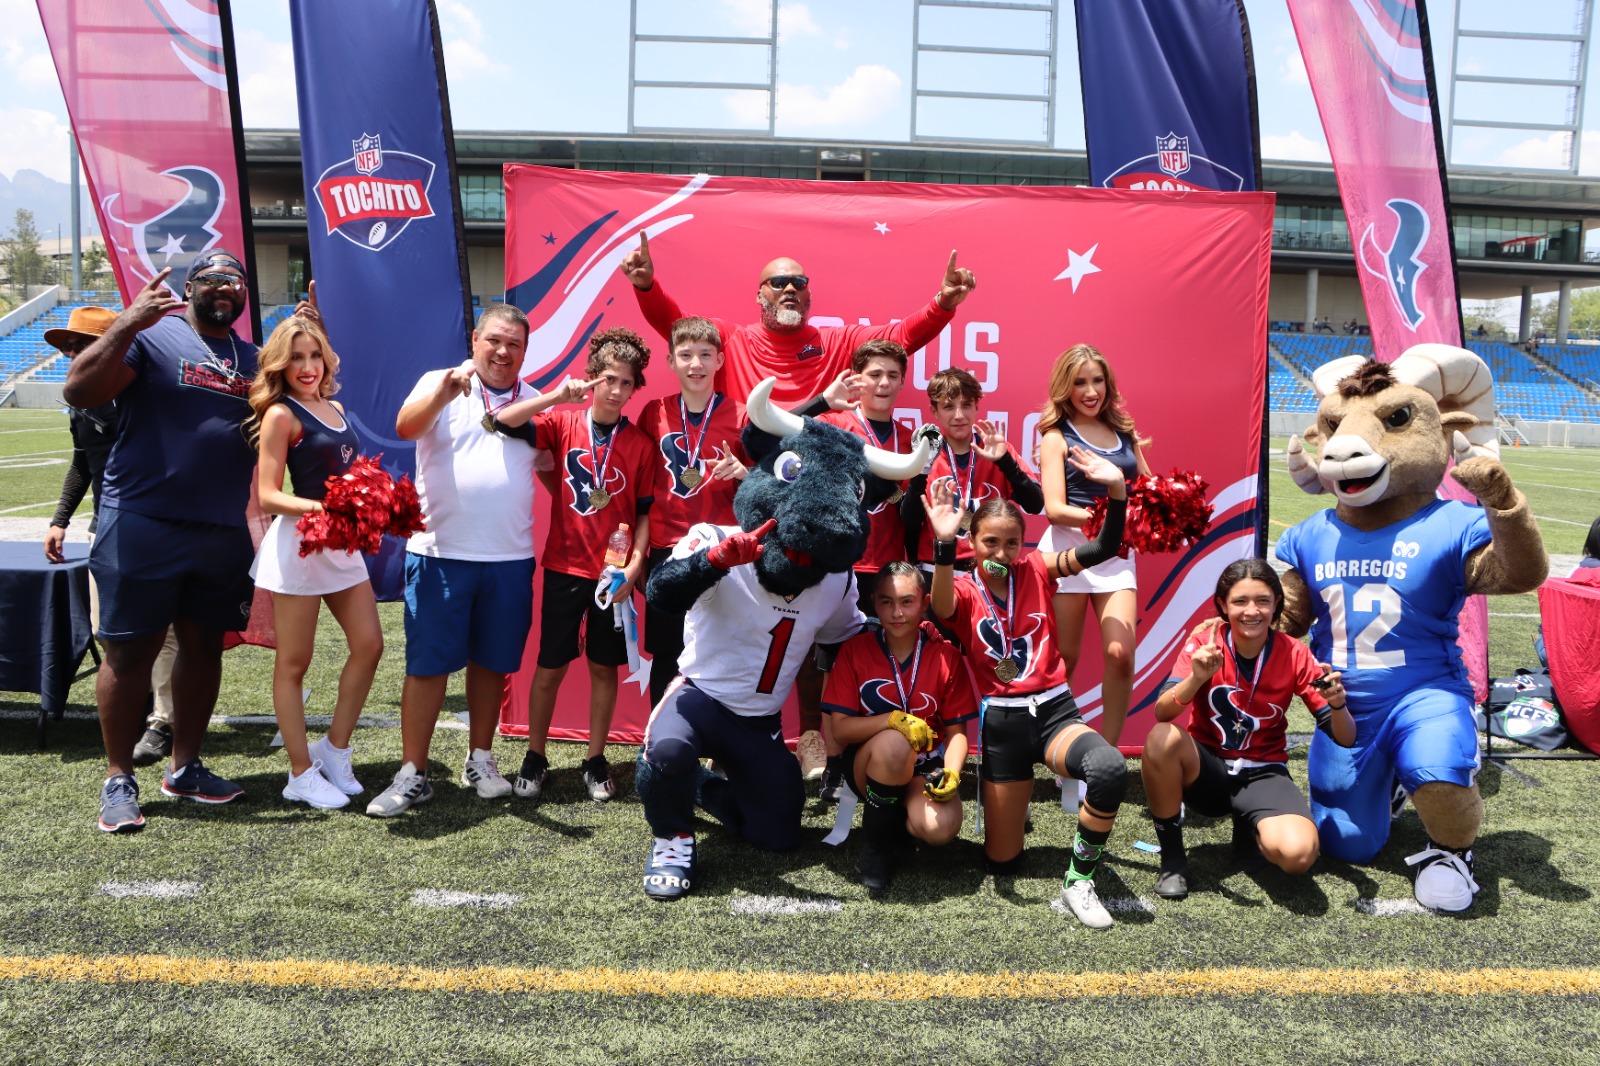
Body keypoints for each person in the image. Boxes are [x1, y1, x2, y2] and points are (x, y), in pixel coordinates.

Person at [64, 251, 286, 833]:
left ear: (244, 294)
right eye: (210, 279)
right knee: (130, 651)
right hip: (142, 520)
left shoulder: (255, 358)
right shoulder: (153, 336)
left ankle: (184, 765)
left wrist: (307, 333)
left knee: (203, 647)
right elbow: (80, 391)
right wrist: (126, 322)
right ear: (188, 289)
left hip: (219, 529)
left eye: (234, 281)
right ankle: (119, 776)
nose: (222, 288)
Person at [368, 304, 588, 817]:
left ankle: (481, 759)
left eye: (514, 344)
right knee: (428, 667)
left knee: (492, 664)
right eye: (494, 340)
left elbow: (555, 479)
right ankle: (413, 773)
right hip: (441, 551)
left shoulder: (536, 403)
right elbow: (404, 427)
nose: (502, 351)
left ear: (525, 352)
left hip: (509, 556)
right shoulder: (440, 381)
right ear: (475, 338)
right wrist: (444, 392)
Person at [923, 454, 1130, 929]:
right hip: (1003, 725)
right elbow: (938, 606)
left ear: (1023, 543)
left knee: (1109, 768)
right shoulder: (963, 588)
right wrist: (942, 543)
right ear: (972, 543)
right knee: (1002, 863)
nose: (1001, 553)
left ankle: (1080, 878)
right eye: (990, 542)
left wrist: (1116, 491)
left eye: (1011, 543)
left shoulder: (1037, 568)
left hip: (1055, 711)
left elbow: (1103, 548)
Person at [498, 327, 656, 803]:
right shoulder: (562, 423)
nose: (616, 390)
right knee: (549, 668)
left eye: (626, 383)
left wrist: (634, 567)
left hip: (614, 577)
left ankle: (593, 757)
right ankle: (536, 755)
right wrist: (554, 395)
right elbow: (503, 420)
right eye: (608, 379)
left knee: (604, 669)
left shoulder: (642, 445)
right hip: (565, 567)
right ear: (591, 379)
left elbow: (646, 515)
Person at [1142, 559, 1355, 900]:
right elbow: (1162, 712)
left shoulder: (1296, 653)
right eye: (1240, 601)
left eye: (1263, 601)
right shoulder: (1204, 643)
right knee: (1161, 739)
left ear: (1276, 605)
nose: (1251, 611)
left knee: (1298, 856)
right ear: (1223, 606)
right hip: (1208, 770)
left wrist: (1337, 704)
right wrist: (1197, 677)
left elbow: (1346, 737)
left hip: (1263, 773)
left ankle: (1249, 829)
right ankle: (1172, 859)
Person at [246, 316, 383, 810]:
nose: (307, 366)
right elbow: (267, 495)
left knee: (369, 645)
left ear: (326, 358)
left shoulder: (335, 407)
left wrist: (369, 498)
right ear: (281, 364)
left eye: (314, 355)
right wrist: (326, 509)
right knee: (294, 662)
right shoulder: (281, 416)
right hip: (301, 546)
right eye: (296, 357)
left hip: (341, 546)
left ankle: (335, 750)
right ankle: (300, 772)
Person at [43, 305, 181, 769]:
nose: (71, 355)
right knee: (110, 629)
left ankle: (163, 721)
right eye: (69, 348)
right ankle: (139, 704)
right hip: (107, 524)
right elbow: (83, 461)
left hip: (158, 521)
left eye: (81, 345)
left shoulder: (140, 393)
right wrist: (60, 519)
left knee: (169, 632)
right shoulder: (81, 401)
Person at [619, 232, 977, 408]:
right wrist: (646, 286)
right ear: (760, 295)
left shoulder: (837, 342)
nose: (789, 288)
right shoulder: (731, 339)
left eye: (799, 283)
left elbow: (900, 337)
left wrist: (943, 302)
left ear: (809, 295)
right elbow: (678, 326)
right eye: (777, 283)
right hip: (748, 471)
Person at [822, 562, 974, 896]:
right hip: (870, 765)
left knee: (939, 829)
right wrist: (892, 720)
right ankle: (876, 849)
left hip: (925, 767)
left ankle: (898, 827)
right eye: (887, 602)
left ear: (925, 603)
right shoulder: (854, 651)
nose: (897, 612)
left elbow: (958, 732)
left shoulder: (946, 656)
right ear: (874, 603)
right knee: (894, 742)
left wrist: (952, 773)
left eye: (907, 601)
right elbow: (841, 731)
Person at [1037, 344, 1149, 748]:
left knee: (1120, 654)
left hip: (1116, 559)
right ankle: (1062, 747)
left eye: (1097, 380)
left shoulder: (1125, 433)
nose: (1090, 391)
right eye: (1080, 382)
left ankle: (1109, 754)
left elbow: (1148, 492)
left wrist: (1160, 512)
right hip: (1068, 557)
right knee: (1064, 659)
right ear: (1065, 387)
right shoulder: (1055, 437)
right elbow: (1054, 509)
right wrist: (1111, 520)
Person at [635, 317, 749, 710]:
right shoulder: (653, 413)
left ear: (720, 360)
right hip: (668, 551)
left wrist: (745, 473)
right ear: (670, 361)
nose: (696, 364)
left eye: (705, 355)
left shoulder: (743, 414)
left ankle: (722, 753)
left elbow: (768, 485)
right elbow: (639, 487)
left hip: (721, 549)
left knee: (724, 653)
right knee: (667, 654)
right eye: (686, 355)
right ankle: (660, 750)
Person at [902, 367, 1043, 573]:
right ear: (935, 411)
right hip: (936, 569)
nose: (959, 415)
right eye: (949, 407)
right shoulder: (925, 455)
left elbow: (1035, 504)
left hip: (988, 570)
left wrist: (1005, 462)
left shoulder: (997, 451)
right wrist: (921, 472)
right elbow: (909, 520)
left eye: (966, 405)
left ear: (977, 406)